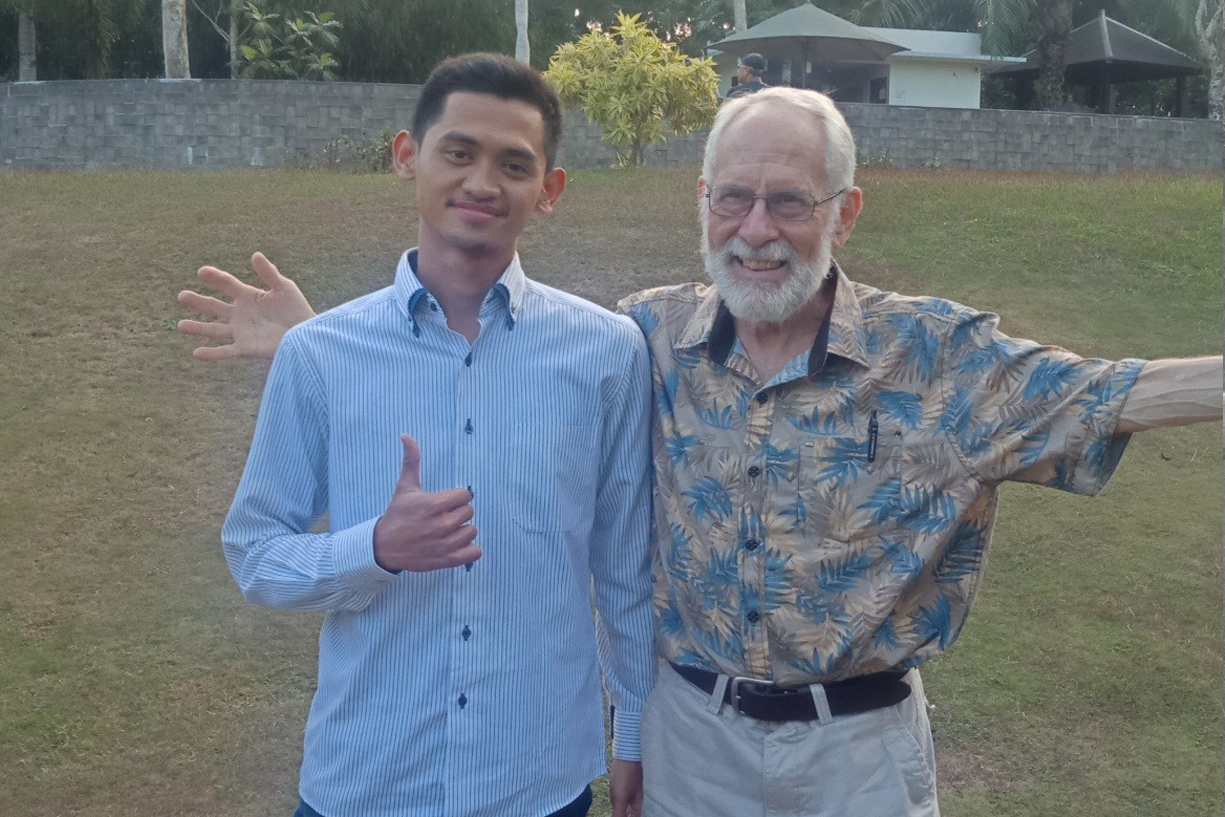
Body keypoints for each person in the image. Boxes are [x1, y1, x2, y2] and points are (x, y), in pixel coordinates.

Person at [179, 85, 1223, 816]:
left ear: (843, 214)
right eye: (732, 195)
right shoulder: (645, 338)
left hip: (861, 752)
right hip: (693, 741)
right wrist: (326, 341)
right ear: (703, 205)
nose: (756, 228)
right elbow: (494, 356)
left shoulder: (936, 357)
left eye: (788, 200)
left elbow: (1116, 392)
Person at [190, 53, 655, 817]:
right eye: (458, 152)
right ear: (408, 157)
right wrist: (372, 548)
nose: (482, 182)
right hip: (366, 779)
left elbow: (626, 571)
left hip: (535, 783)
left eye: (514, 163)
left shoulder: (607, 353)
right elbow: (254, 551)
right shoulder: (318, 355)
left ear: (549, 191)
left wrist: (633, 731)